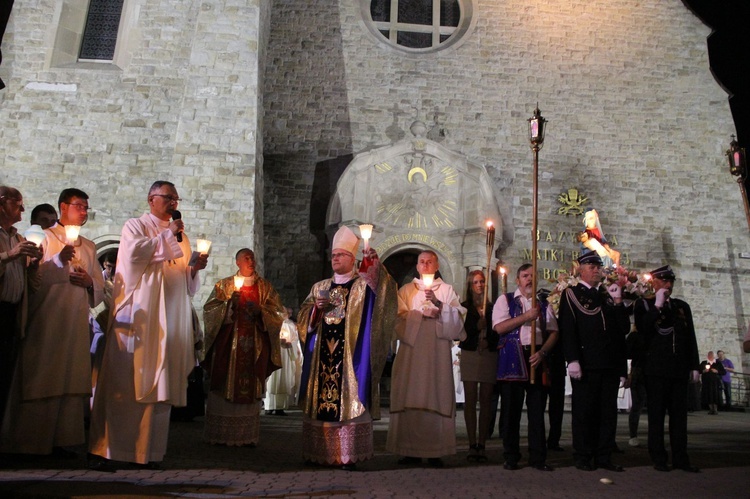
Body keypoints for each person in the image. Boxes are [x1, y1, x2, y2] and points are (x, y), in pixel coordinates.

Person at [88, 181, 208, 469]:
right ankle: (111, 451)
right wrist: (168, 236)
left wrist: (193, 269)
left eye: (176, 199)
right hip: (139, 319)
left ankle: (149, 453)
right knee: (128, 382)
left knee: (160, 385)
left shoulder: (182, 237)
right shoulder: (135, 227)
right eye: (169, 198)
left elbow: (185, 284)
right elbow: (131, 258)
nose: (174, 204)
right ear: (151, 199)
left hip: (167, 322)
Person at [1, 188, 104, 457]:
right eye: (79, 206)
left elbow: (99, 285)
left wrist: (89, 282)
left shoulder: (90, 246)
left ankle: (64, 441)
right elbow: (30, 280)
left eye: (86, 207)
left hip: (75, 320)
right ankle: (31, 443)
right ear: (63, 207)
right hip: (47, 318)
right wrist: (57, 262)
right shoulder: (42, 238)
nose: (83, 211)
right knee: (43, 375)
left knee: (70, 376)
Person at [297, 225, 397, 470]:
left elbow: (384, 292)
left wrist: (374, 267)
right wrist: (315, 311)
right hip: (323, 358)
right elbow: (302, 318)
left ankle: (347, 455)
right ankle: (320, 454)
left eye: (340, 255)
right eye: (333, 255)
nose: (335, 258)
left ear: (353, 259)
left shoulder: (362, 286)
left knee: (349, 400)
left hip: (351, 358)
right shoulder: (320, 287)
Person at [387, 250, 466, 468]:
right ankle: (408, 450)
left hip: (437, 353)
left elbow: (459, 321)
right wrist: (419, 315)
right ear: (418, 266)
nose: (426, 265)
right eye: (422, 262)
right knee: (411, 392)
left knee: (435, 393)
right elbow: (397, 318)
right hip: (412, 353)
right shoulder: (406, 290)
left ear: (437, 265)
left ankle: (435, 451)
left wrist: (440, 307)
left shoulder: (447, 291)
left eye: (430, 261)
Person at [201, 248, 285, 446]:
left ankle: (246, 437)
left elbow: (277, 313)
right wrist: (228, 306)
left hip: (253, 347)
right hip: (228, 349)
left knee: (250, 384)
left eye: (253, 257)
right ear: (237, 262)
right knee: (223, 383)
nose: (251, 261)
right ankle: (220, 435)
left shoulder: (265, 287)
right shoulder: (224, 285)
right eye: (246, 258)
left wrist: (261, 312)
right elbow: (209, 311)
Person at [558, 252, 629, 472]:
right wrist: (572, 359)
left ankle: (604, 456)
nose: (596, 269)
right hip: (586, 363)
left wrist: (618, 302)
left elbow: (621, 331)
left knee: (607, 414)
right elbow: (568, 329)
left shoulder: (608, 296)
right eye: (591, 265)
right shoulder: (571, 294)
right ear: (580, 269)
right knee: (585, 412)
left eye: (598, 266)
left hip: (608, 364)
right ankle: (583, 455)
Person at [634, 265, 700, 472]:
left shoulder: (681, 306)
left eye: (671, 281)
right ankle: (659, 457)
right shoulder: (643, 305)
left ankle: (681, 457)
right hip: (655, 370)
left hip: (678, 369)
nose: (668, 285)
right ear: (654, 282)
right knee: (656, 416)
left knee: (679, 417)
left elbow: (690, 338)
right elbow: (643, 330)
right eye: (664, 281)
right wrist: (657, 306)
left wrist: (694, 365)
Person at [493, 263, 559, 471]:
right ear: (518, 280)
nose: (529, 279)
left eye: (532, 276)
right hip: (513, 355)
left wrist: (543, 352)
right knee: (511, 410)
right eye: (525, 276)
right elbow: (500, 327)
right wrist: (526, 317)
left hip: (537, 356)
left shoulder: (544, 304)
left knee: (537, 410)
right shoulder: (505, 300)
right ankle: (511, 456)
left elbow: (553, 331)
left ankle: (538, 457)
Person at [0, 187, 42, 431]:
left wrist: (34, 266)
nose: (23, 209)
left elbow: (32, 285)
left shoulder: (18, 238)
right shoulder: (15, 245)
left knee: (4, 379)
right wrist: (10, 255)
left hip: (12, 315)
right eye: (18, 203)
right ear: (2, 203)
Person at [459, 270, 498, 462]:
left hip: (488, 355)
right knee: (470, 400)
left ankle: (482, 443)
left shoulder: (492, 307)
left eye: (482, 281)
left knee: (486, 400)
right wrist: (476, 329)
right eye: (476, 282)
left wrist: (488, 341)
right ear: (470, 285)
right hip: (470, 354)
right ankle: (471, 443)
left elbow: (498, 330)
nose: (480, 285)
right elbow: (460, 332)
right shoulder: (464, 308)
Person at [264, 307, 303, 416]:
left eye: (287, 313)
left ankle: (280, 408)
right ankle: (268, 406)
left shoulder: (291, 325)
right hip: (274, 354)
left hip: (286, 356)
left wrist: (290, 345)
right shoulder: (271, 323)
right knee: (271, 380)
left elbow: (295, 341)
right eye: (284, 312)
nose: (286, 314)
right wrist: (277, 342)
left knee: (283, 380)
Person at [699, 351, 725, 415]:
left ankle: (715, 409)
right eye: (709, 355)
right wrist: (704, 371)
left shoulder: (717, 363)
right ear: (708, 356)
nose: (710, 357)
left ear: (714, 356)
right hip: (706, 382)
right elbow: (699, 370)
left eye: (712, 355)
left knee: (715, 395)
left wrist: (717, 371)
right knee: (708, 395)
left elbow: (723, 372)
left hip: (715, 383)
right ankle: (710, 409)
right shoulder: (704, 363)